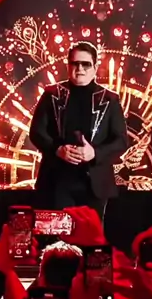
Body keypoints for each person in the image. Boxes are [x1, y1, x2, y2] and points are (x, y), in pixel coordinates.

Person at [29, 41, 127, 219]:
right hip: (56, 181)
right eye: (75, 63)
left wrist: (95, 153)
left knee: (91, 234)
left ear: (95, 67)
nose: (80, 68)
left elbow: (120, 141)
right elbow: (37, 132)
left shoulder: (110, 100)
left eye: (85, 64)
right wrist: (58, 150)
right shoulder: (51, 95)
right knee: (57, 235)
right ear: (68, 66)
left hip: (95, 185)